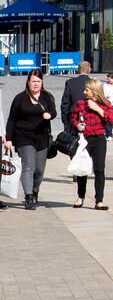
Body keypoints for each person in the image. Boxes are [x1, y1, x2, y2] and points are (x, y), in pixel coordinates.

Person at [3, 69, 56, 210]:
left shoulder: (47, 97)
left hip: (42, 138)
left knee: (39, 170)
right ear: (28, 82)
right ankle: (28, 197)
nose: (36, 84)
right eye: (33, 81)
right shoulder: (20, 98)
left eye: (38, 81)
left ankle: (35, 191)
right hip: (24, 137)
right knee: (28, 167)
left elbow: (54, 112)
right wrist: (8, 139)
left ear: (42, 82)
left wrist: (49, 115)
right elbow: (12, 119)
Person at [70, 79, 113, 210]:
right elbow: (72, 117)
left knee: (99, 170)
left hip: (99, 139)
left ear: (94, 91)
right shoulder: (81, 104)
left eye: (87, 90)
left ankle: (99, 200)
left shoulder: (105, 104)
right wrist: (76, 124)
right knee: (82, 169)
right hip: (84, 139)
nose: (84, 92)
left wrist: (98, 108)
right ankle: (80, 197)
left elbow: (110, 118)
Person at [60, 59, 92, 130]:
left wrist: (65, 120)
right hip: (90, 118)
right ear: (89, 70)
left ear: (78, 70)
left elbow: (65, 103)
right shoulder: (93, 83)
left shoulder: (70, 83)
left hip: (73, 117)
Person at [102, 72, 113, 139]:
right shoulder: (105, 85)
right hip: (109, 104)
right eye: (108, 79)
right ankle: (109, 134)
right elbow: (104, 93)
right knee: (109, 120)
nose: (108, 81)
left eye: (109, 79)